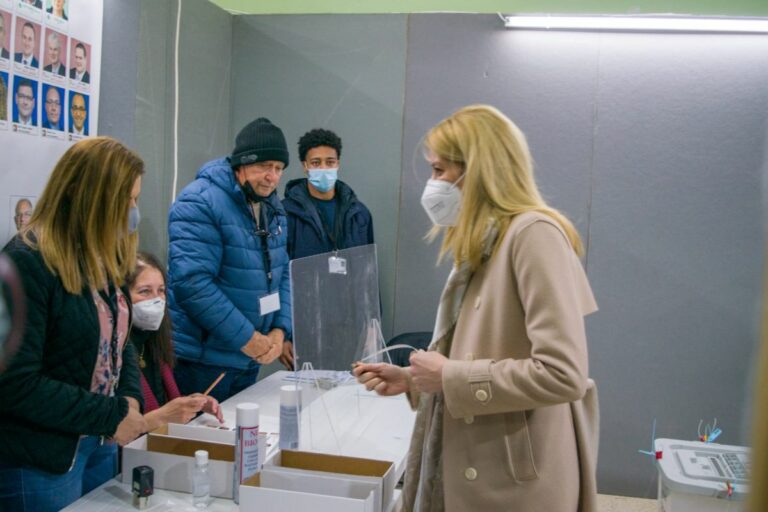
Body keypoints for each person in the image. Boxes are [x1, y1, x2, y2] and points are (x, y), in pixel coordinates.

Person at [354, 105, 599, 512]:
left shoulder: (534, 235)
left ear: (479, 170)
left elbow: (563, 374)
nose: (431, 185)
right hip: (483, 458)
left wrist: (448, 375)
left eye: (439, 171)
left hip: (514, 478)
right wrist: (416, 381)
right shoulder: (487, 242)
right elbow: (489, 352)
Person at [0, 137, 148, 512]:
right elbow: (15, 383)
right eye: (125, 201)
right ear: (90, 198)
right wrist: (111, 414)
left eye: (136, 200)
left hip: (97, 443)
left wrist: (128, 398)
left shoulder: (102, 255)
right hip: (41, 458)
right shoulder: (26, 262)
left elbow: (118, 339)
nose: (133, 213)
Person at [168, 117, 292, 402]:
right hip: (205, 362)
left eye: (278, 169)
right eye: (263, 166)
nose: (272, 177)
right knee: (202, 444)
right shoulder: (199, 201)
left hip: (250, 358)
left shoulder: (273, 207)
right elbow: (193, 284)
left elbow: (283, 271)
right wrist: (247, 339)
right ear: (241, 164)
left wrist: (279, 330)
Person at [126, 252, 224, 430]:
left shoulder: (155, 341)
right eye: (144, 291)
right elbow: (118, 432)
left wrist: (191, 403)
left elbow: (162, 404)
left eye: (161, 291)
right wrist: (163, 416)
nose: (156, 300)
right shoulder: (114, 351)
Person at [283, 128, 374, 260]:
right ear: (305, 166)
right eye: (316, 163)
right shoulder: (285, 214)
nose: (323, 168)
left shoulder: (359, 214)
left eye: (330, 162)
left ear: (338, 164)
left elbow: (367, 269)